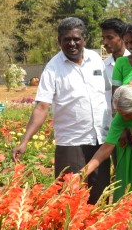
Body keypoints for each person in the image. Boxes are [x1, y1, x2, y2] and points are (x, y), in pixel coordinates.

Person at [12, 17, 110, 204]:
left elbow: (107, 94)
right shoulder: (53, 68)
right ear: (59, 41)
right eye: (67, 39)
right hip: (71, 144)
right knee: (69, 198)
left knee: (100, 198)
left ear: (84, 39)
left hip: (100, 142)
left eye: (76, 39)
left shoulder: (96, 60)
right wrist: (24, 141)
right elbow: (42, 107)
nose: (72, 43)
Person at [100, 17, 132, 200]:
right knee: (120, 174)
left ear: (122, 37)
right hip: (114, 130)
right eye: (103, 38)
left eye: (110, 37)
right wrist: (119, 129)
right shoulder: (102, 66)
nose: (105, 42)